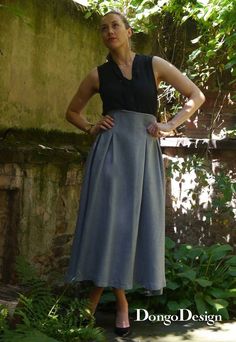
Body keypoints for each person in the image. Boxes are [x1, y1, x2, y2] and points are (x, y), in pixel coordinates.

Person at [65, 10, 205, 337]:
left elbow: (196, 96)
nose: (109, 31)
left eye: (115, 25)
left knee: (133, 227)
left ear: (129, 32)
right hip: (110, 156)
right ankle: (120, 303)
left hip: (143, 156)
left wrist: (170, 125)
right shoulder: (97, 75)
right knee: (111, 225)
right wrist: (90, 127)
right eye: (104, 28)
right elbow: (72, 112)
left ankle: (97, 300)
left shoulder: (153, 65)